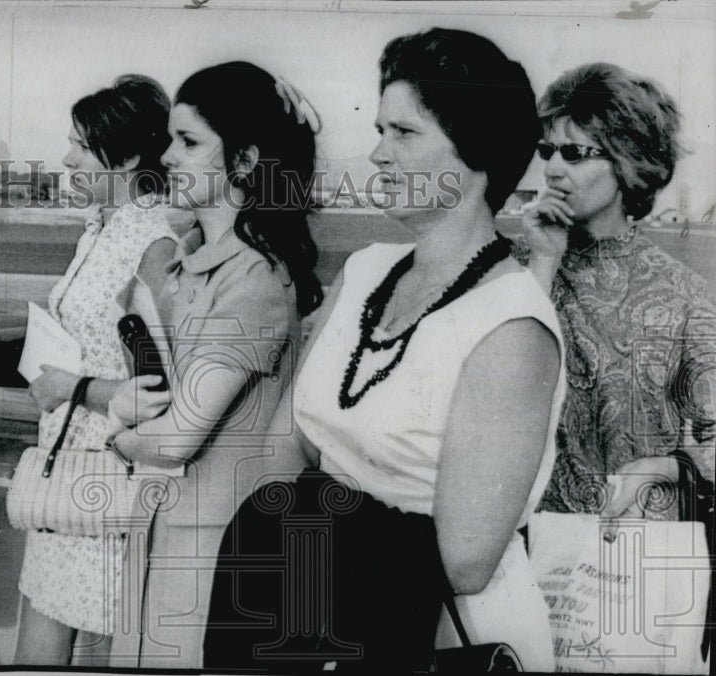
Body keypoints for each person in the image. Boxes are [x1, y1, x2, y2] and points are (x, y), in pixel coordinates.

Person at [204, 29, 566, 673]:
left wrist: (313, 529)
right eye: (380, 130)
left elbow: (467, 558)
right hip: (295, 614)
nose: (378, 153)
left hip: (431, 638)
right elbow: (286, 444)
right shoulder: (366, 271)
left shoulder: (511, 327)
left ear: (477, 152)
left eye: (404, 133)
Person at [104, 61, 323, 669]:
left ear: (245, 161)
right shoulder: (190, 263)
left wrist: (117, 432)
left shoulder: (254, 280)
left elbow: (177, 437)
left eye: (189, 141)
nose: (167, 156)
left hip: (213, 554)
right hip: (163, 533)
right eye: (171, 139)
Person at [521, 63, 714, 626]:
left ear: (628, 164)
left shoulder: (682, 295)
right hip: (512, 553)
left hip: (633, 565)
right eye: (547, 150)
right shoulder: (513, 273)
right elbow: (495, 393)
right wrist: (542, 263)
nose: (552, 168)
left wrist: (665, 466)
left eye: (576, 153)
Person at [11, 75, 179, 667]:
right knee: (42, 631)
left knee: (95, 644)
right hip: (64, 464)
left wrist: (73, 388)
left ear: (128, 157)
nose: (66, 160)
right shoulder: (100, 231)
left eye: (81, 146)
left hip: (109, 476)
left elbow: (162, 384)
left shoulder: (155, 245)